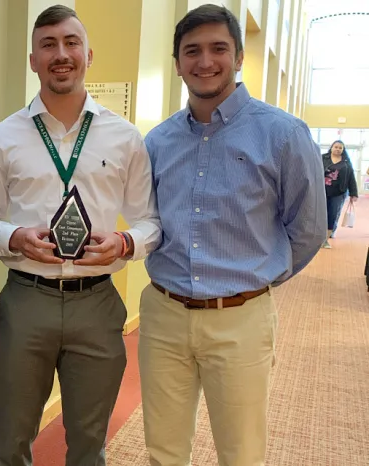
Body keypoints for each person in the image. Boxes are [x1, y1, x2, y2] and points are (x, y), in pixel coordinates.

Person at [140, 5, 326, 466]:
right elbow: (149, 220)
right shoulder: (158, 142)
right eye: (192, 51)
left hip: (240, 318)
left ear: (239, 57)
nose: (205, 61)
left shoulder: (282, 134)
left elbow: (307, 229)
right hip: (163, 315)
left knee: (240, 453)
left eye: (218, 48)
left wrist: (254, 281)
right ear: (177, 62)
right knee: (163, 450)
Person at [0, 5, 161, 466]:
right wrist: (15, 236)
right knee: (11, 441)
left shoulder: (125, 138)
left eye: (71, 43)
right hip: (26, 300)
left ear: (88, 54)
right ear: (33, 60)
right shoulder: (4, 138)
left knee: (87, 444)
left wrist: (124, 243)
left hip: (97, 303)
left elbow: (151, 222)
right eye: (48, 45)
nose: (61, 54)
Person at [323, 140, 358, 246]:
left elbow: (351, 177)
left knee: (333, 214)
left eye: (340, 148)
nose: (338, 149)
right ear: (331, 147)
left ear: (343, 150)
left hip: (339, 193)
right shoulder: (322, 158)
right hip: (322, 191)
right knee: (321, 214)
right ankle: (319, 236)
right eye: (336, 147)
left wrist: (353, 193)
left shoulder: (346, 162)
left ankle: (326, 238)